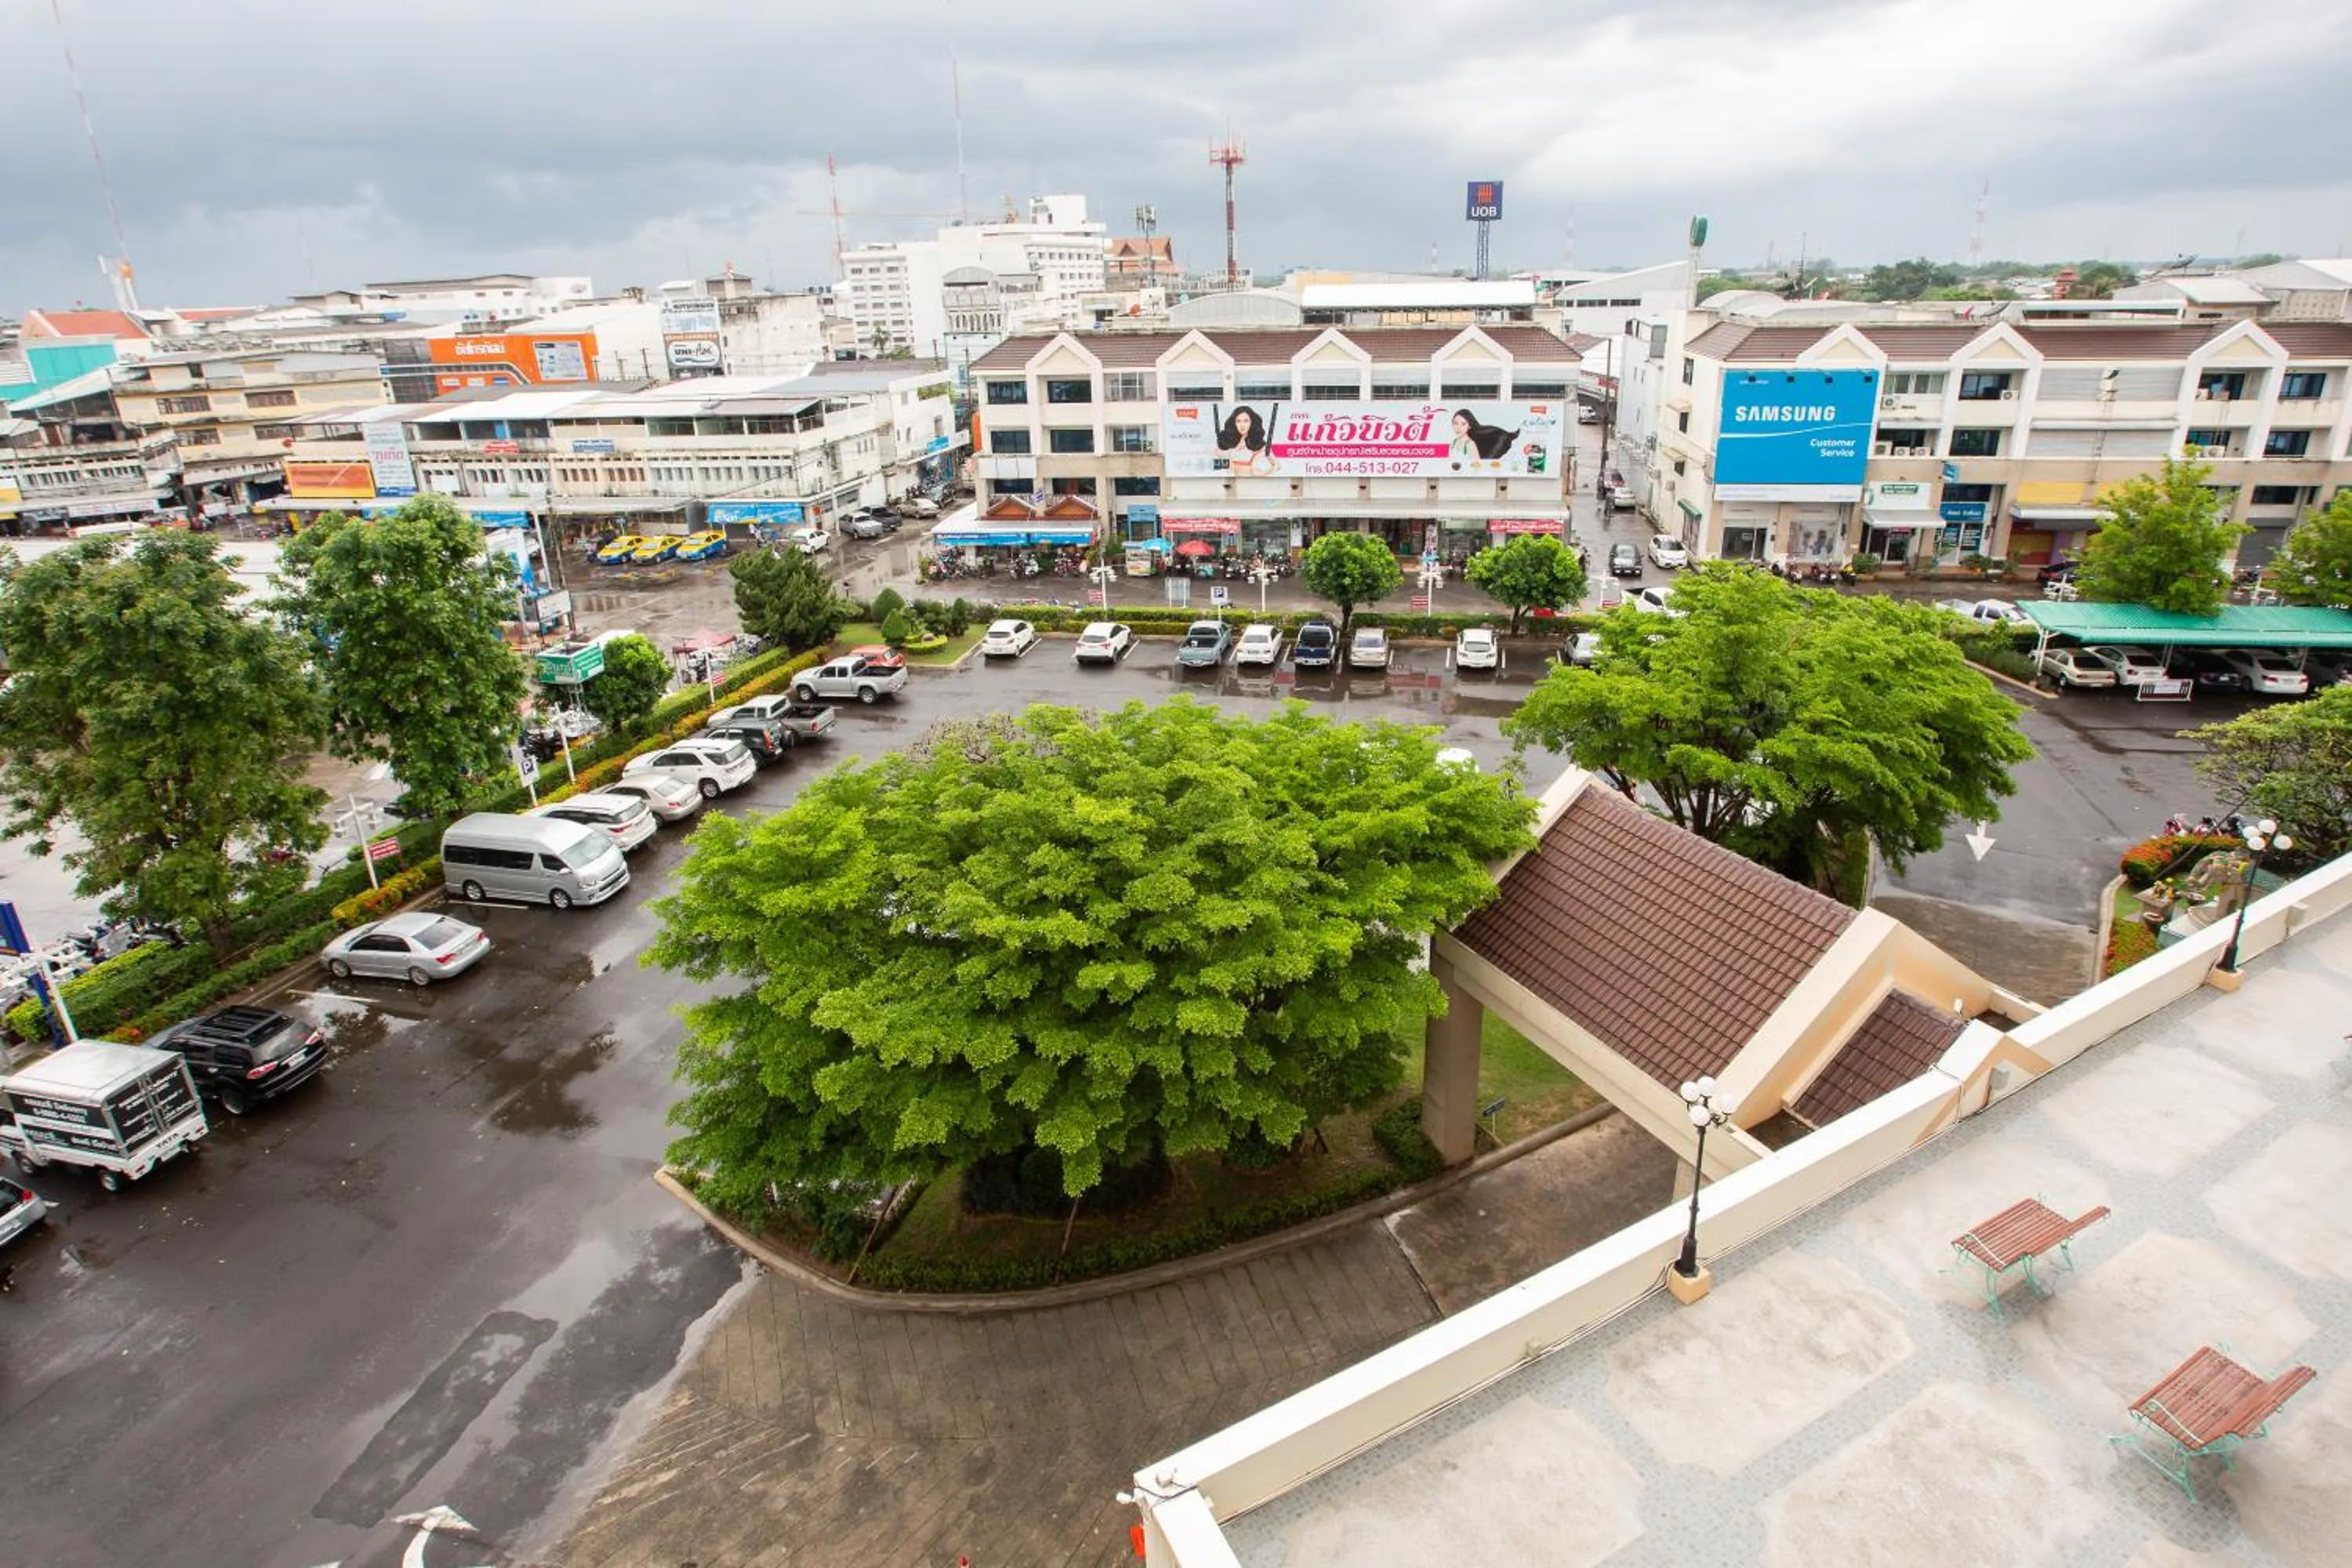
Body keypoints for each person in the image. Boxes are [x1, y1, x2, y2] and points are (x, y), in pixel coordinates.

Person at [1215, 405, 1277, 476]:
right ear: (1234, 423)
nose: (1242, 425)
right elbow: (1213, 464)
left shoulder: (1259, 445)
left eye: (1246, 421)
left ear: (1252, 422)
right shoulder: (1227, 443)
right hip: (1233, 482)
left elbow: (1276, 465)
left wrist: (1261, 473)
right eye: (1238, 421)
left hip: (1251, 482)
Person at [1450, 408, 1520, 463]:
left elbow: (1477, 467)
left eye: (1463, 424)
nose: (1458, 428)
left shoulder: (1470, 445)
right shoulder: (1455, 442)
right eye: (1455, 423)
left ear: (1469, 426)